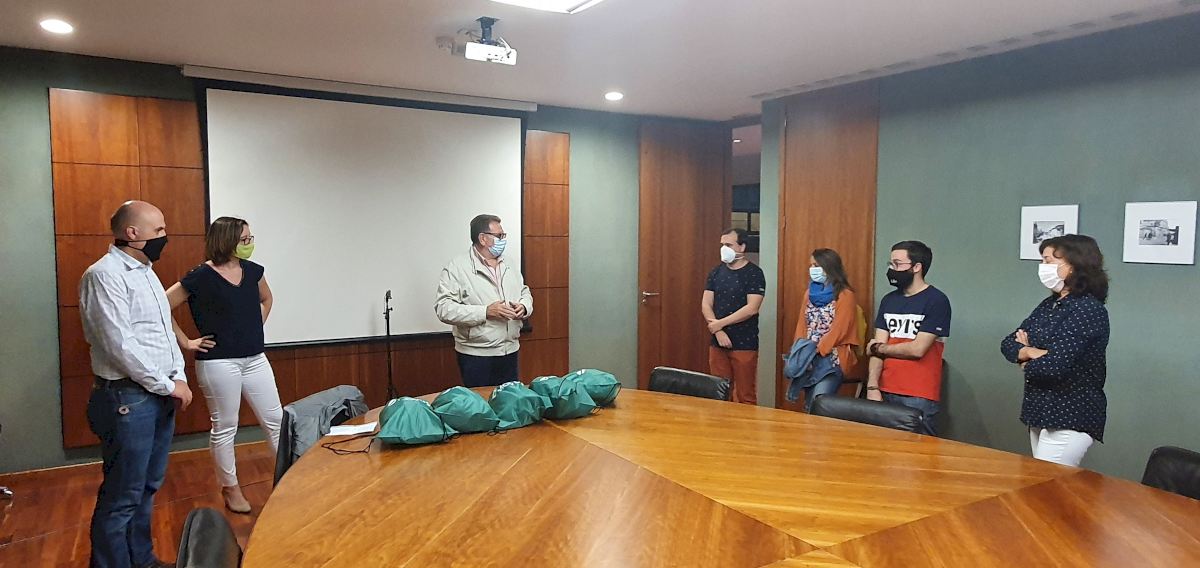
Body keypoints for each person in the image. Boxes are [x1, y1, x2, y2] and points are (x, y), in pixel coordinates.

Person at [80, 200, 192, 568]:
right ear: (132, 233)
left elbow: (163, 334)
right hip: (127, 399)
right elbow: (120, 345)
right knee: (122, 496)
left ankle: (141, 560)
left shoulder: (146, 273)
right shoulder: (104, 275)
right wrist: (167, 385)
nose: (165, 236)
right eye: (159, 230)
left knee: (146, 488)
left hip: (157, 395)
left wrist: (178, 376)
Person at [165, 217, 281, 514]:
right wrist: (186, 341)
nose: (249, 244)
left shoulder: (253, 271)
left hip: (255, 358)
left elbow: (267, 299)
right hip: (219, 362)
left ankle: (287, 479)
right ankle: (231, 488)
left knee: (276, 421)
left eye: (250, 238)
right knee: (226, 426)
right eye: (244, 239)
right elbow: (162, 305)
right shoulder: (200, 276)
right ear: (226, 240)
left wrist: (254, 325)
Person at [1001, 234, 1109, 467]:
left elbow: (1053, 366)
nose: (1043, 267)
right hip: (1040, 410)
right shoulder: (1049, 305)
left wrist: (1027, 358)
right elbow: (1008, 343)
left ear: (1074, 265)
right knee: (1042, 482)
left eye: (1049, 261)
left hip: (1070, 414)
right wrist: (1031, 352)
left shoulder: (1088, 310)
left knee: (1048, 483)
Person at [435, 214, 533, 387]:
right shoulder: (457, 267)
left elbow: (524, 291)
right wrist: (485, 312)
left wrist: (524, 307)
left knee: (509, 401)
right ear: (482, 238)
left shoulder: (509, 263)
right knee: (481, 403)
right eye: (499, 236)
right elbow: (444, 308)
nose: (503, 240)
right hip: (476, 355)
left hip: (510, 350)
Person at [865, 240, 951, 434]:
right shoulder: (888, 301)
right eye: (891, 264)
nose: (892, 269)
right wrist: (872, 386)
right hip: (884, 389)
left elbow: (917, 349)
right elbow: (876, 349)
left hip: (918, 394)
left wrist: (880, 348)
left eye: (897, 264)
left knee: (918, 449)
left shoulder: (936, 300)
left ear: (917, 267)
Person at [791, 249, 860, 412]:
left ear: (829, 266)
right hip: (809, 358)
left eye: (816, 265)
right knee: (808, 405)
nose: (812, 269)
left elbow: (840, 329)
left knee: (820, 403)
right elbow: (802, 324)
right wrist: (800, 351)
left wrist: (818, 350)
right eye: (811, 265)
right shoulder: (809, 293)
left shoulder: (845, 295)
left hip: (832, 358)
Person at [702, 228, 766, 404]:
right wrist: (718, 331)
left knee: (745, 395)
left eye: (728, 245)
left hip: (744, 342)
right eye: (722, 245)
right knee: (719, 393)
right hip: (717, 342)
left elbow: (752, 308)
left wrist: (720, 324)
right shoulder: (716, 272)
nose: (724, 249)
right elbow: (706, 304)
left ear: (742, 247)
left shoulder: (754, 273)